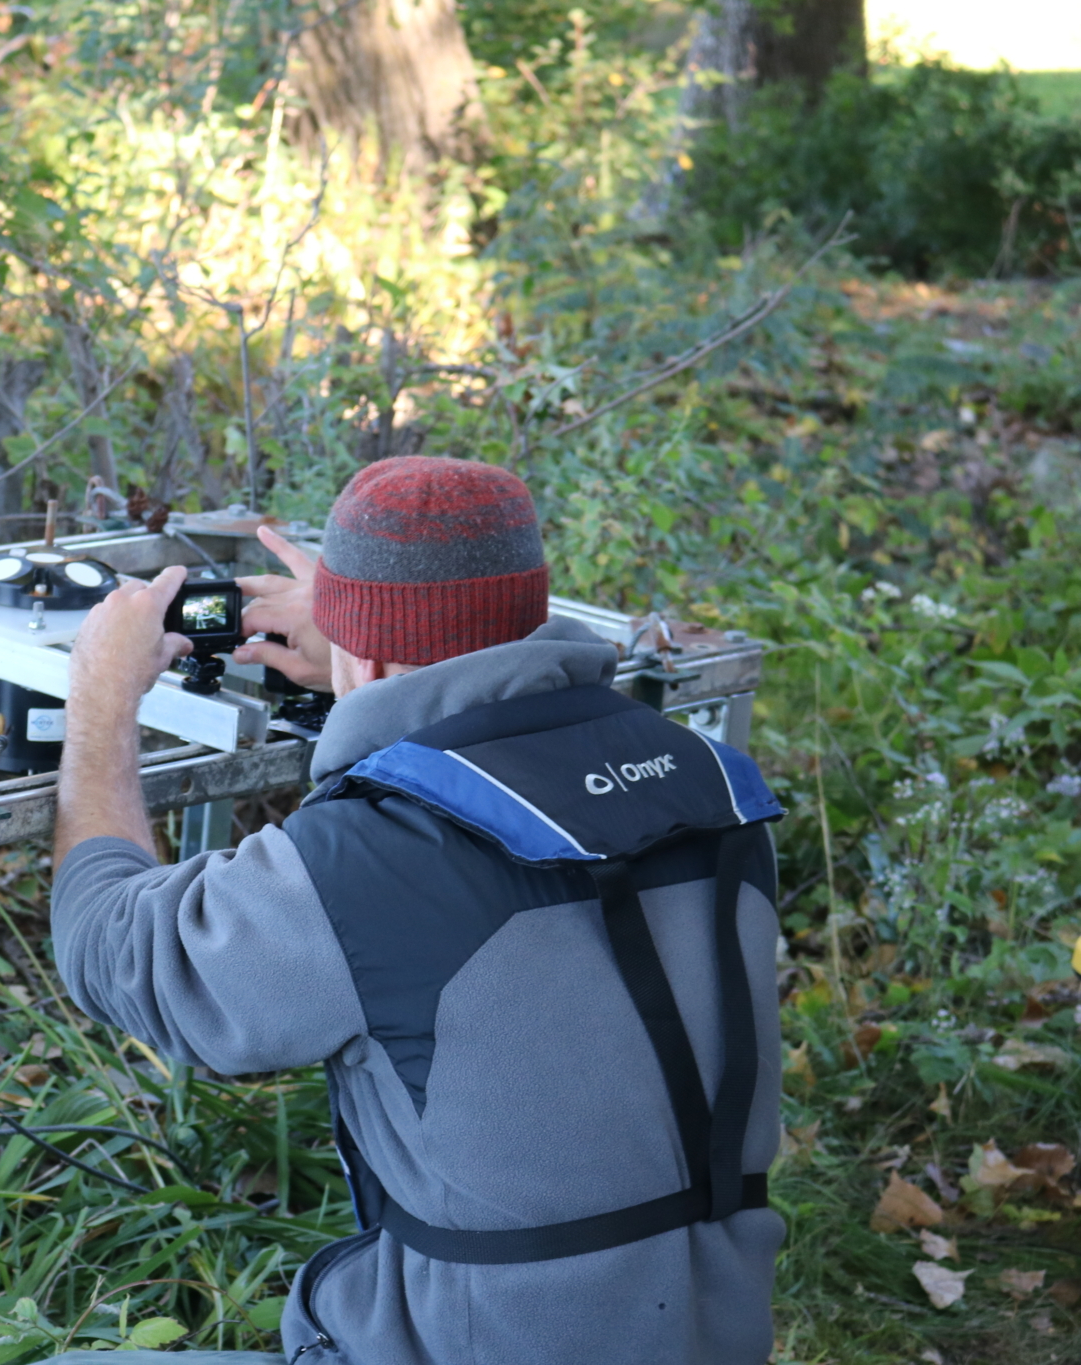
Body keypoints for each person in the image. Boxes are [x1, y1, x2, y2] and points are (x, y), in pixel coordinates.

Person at [50, 456, 784, 1365]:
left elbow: (112, 947)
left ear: (368, 644)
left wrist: (100, 703)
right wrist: (373, 671)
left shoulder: (372, 855)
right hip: (709, 1333)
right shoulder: (704, 780)